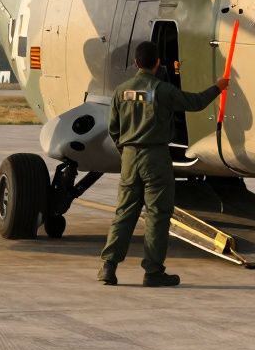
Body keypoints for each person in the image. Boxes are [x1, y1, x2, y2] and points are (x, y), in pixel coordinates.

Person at [98, 41, 228, 287]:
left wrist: (127, 151)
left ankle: (109, 266)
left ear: (136, 63)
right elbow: (195, 102)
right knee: (157, 215)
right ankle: (153, 271)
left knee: (124, 213)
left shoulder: (121, 91)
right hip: (155, 158)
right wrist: (218, 87)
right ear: (157, 63)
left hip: (129, 157)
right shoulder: (163, 90)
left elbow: (113, 129)